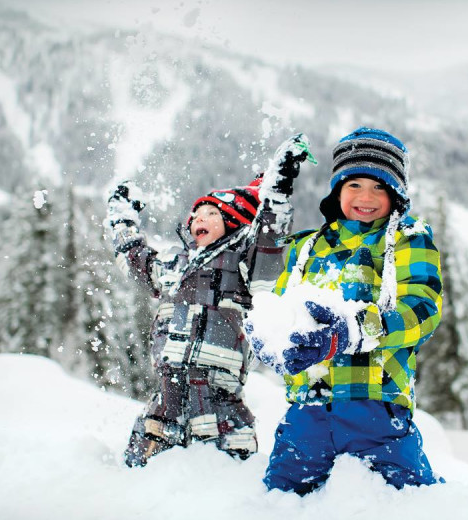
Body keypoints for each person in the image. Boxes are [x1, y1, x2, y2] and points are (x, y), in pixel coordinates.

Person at [247, 127, 446, 494]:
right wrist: (269, 339)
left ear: (396, 193)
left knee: (412, 501)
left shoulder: (407, 241)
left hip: (377, 409)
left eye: (379, 187)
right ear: (337, 189)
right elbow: (278, 308)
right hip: (308, 409)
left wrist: (354, 331)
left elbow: (421, 309)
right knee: (280, 499)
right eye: (354, 185)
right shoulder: (305, 248)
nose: (365, 197)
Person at [106, 134, 315, 467]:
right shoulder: (175, 267)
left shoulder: (243, 264)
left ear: (232, 221)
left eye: (209, 213)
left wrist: (275, 194)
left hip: (220, 406)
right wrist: (121, 219)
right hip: (165, 403)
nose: (197, 220)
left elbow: (269, 248)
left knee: (220, 489)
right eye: (194, 215)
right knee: (140, 481)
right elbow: (135, 257)